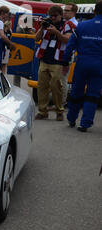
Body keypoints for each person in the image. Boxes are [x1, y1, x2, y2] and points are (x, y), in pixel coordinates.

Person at [63, 1, 102, 132]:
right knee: (92, 95)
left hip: (81, 64)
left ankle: (71, 118)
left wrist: (65, 61)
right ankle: (84, 124)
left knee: (76, 92)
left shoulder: (82, 26)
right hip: (99, 66)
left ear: (94, 11)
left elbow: (70, 46)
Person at [35, 5, 72, 121]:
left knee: (56, 86)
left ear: (61, 15)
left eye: (55, 16)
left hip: (58, 61)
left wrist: (56, 32)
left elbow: (68, 40)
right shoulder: (47, 23)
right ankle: (42, 111)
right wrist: (42, 28)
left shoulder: (66, 25)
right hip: (44, 59)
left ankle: (59, 110)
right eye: (51, 16)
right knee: (41, 87)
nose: (53, 18)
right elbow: (36, 39)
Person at [61, 2, 79, 107]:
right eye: (64, 10)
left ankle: (62, 103)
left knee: (63, 79)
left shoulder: (72, 24)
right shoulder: (68, 22)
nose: (64, 12)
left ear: (74, 12)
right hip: (66, 53)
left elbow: (68, 41)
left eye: (67, 11)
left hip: (67, 53)